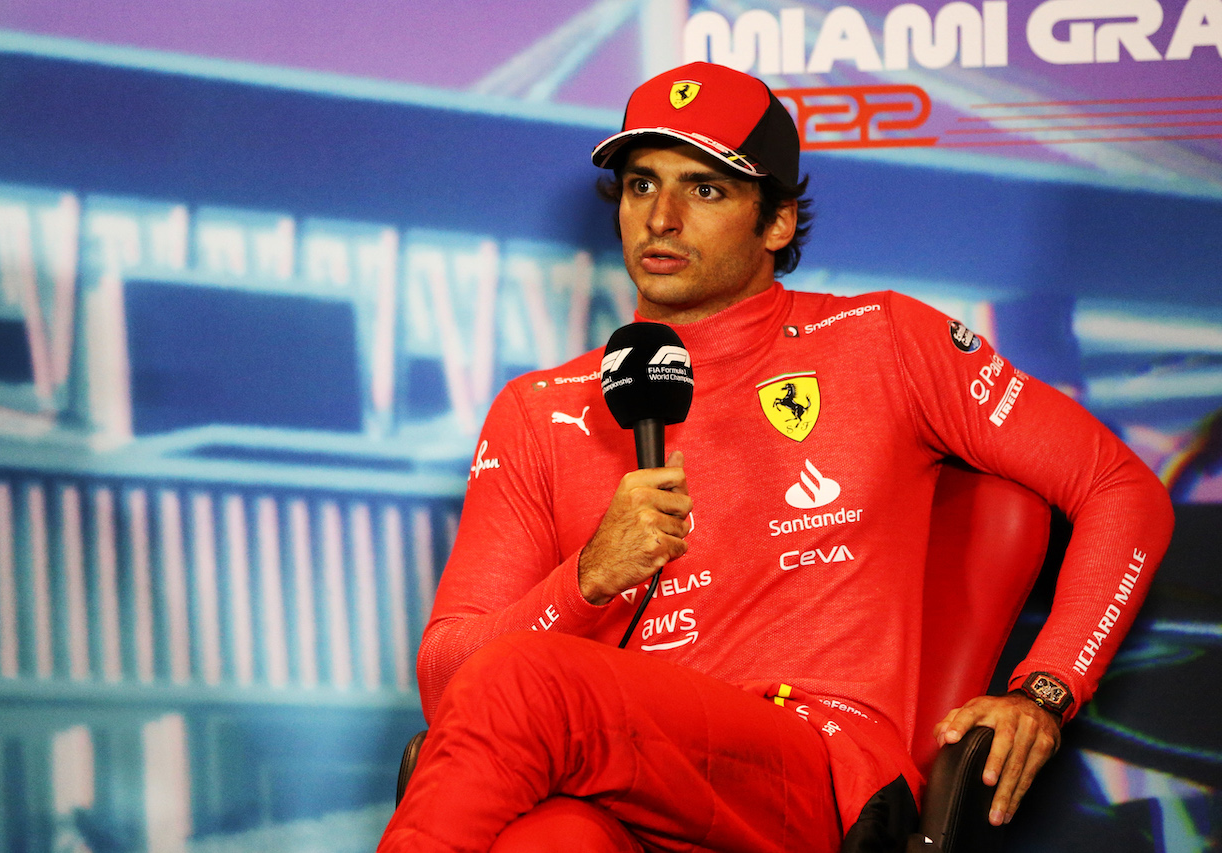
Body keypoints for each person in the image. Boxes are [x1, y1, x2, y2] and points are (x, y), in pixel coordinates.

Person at [378, 62, 1174, 852]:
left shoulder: (884, 340)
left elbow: (1119, 486)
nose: (661, 217)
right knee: (546, 839)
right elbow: (451, 686)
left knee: (526, 678)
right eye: (641, 185)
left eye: (707, 189)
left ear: (779, 221)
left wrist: (1046, 688)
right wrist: (587, 578)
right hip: (616, 792)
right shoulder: (537, 408)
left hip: (812, 772)